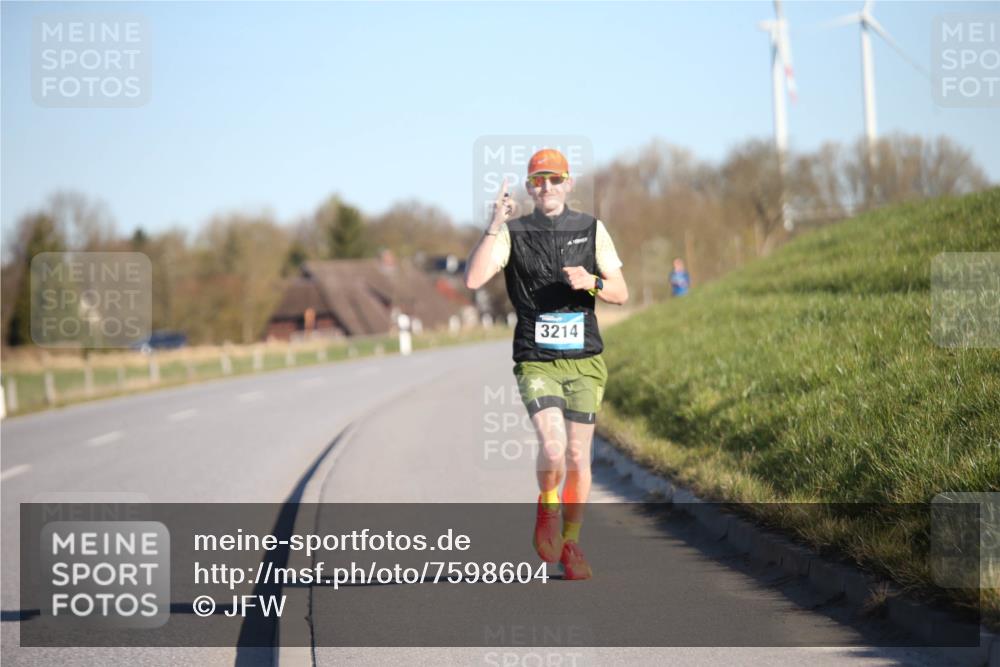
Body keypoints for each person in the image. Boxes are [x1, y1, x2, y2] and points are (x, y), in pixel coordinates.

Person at [465, 148, 629, 580]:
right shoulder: (513, 232)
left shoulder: (591, 228)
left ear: (568, 183)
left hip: (586, 361)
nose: (547, 188)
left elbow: (620, 291)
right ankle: (547, 506)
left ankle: (572, 543)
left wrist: (591, 282)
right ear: (530, 187)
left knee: (578, 455)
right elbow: (473, 278)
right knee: (554, 447)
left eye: (555, 180)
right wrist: (494, 225)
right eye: (538, 181)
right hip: (537, 360)